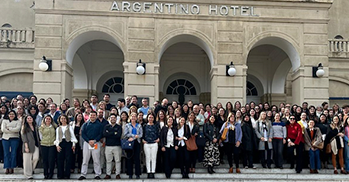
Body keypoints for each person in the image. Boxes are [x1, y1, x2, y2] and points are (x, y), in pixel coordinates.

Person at [78, 111, 103, 180]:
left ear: (96, 116)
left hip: (96, 143)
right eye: (91, 115)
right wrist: (88, 141)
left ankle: (97, 174)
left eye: (94, 115)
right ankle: (83, 174)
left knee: (96, 159)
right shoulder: (85, 124)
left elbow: (101, 134)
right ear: (89, 116)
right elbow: (83, 134)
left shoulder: (99, 125)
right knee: (85, 159)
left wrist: (94, 140)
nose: (92, 116)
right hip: (87, 143)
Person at [55, 115, 77, 179]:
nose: (63, 120)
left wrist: (73, 145)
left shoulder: (70, 127)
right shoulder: (58, 128)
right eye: (62, 119)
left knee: (68, 159)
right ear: (60, 120)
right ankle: (60, 175)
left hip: (68, 143)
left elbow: (73, 137)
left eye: (64, 118)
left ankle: (67, 174)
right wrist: (57, 145)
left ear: (67, 119)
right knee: (60, 159)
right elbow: (57, 138)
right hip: (61, 143)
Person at [123, 112, 143, 179]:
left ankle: (137, 174)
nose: (133, 117)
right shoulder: (127, 125)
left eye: (135, 116)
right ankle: (130, 174)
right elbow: (125, 134)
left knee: (137, 158)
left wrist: (134, 137)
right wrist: (134, 136)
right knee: (129, 158)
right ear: (130, 117)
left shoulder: (139, 125)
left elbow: (141, 134)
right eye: (132, 116)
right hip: (130, 142)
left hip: (137, 142)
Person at [1, 110, 21, 174]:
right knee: (6, 154)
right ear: (8, 115)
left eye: (13, 114)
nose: (11, 115)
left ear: (15, 115)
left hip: (14, 138)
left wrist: (9, 128)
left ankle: (12, 167)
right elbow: (3, 129)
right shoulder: (4, 121)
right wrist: (13, 129)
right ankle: (7, 167)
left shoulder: (18, 121)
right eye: (10, 114)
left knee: (13, 153)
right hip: (5, 139)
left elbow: (17, 129)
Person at [103, 113, 122, 179]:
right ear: (109, 119)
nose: (113, 119)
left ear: (116, 119)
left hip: (117, 146)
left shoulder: (119, 127)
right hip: (108, 146)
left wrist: (110, 133)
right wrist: (114, 133)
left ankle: (117, 174)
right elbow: (105, 134)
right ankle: (108, 174)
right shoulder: (106, 126)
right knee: (108, 161)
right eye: (111, 118)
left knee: (118, 160)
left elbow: (118, 135)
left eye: (114, 118)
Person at [21, 115, 40, 179]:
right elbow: (24, 138)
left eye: (30, 118)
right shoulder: (24, 127)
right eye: (28, 118)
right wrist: (26, 147)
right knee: (27, 161)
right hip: (27, 145)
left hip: (36, 145)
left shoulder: (35, 127)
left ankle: (31, 170)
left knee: (36, 158)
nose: (29, 119)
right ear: (26, 120)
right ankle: (28, 175)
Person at [142, 113, 160, 178]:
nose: (150, 119)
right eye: (149, 117)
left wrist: (158, 139)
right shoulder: (144, 126)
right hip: (146, 143)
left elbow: (159, 133)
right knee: (148, 158)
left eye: (152, 117)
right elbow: (142, 134)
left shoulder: (156, 126)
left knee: (153, 158)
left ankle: (153, 171)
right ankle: (148, 171)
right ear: (147, 118)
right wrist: (143, 140)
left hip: (154, 143)